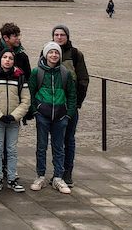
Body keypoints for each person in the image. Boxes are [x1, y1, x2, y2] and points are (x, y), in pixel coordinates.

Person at [29, 42, 77, 194]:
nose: (54, 55)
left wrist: (68, 114)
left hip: (60, 116)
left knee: (59, 148)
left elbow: (71, 94)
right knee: (41, 146)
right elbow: (30, 93)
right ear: (45, 54)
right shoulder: (37, 72)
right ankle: (40, 175)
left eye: (56, 53)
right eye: (51, 52)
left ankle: (58, 176)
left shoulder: (65, 73)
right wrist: (35, 111)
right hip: (43, 114)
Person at [0, 48, 30, 193]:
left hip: (13, 120)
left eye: (10, 58)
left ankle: (11, 178)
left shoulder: (20, 77)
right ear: (0, 59)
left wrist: (14, 116)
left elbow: (26, 100)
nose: (7, 60)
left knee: (11, 149)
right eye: (5, 57)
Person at [51, 24, 88, 188]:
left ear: (67, 36)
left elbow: (83, 79)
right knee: (54, 140)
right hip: (52, 105)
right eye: (56, 35)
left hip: (69, 105)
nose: (59, 37)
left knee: (68, 139)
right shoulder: (48, 51)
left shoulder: (75, 54)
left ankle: (67, 172)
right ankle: (57, 171)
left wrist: (77, 102)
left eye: (62, 35)